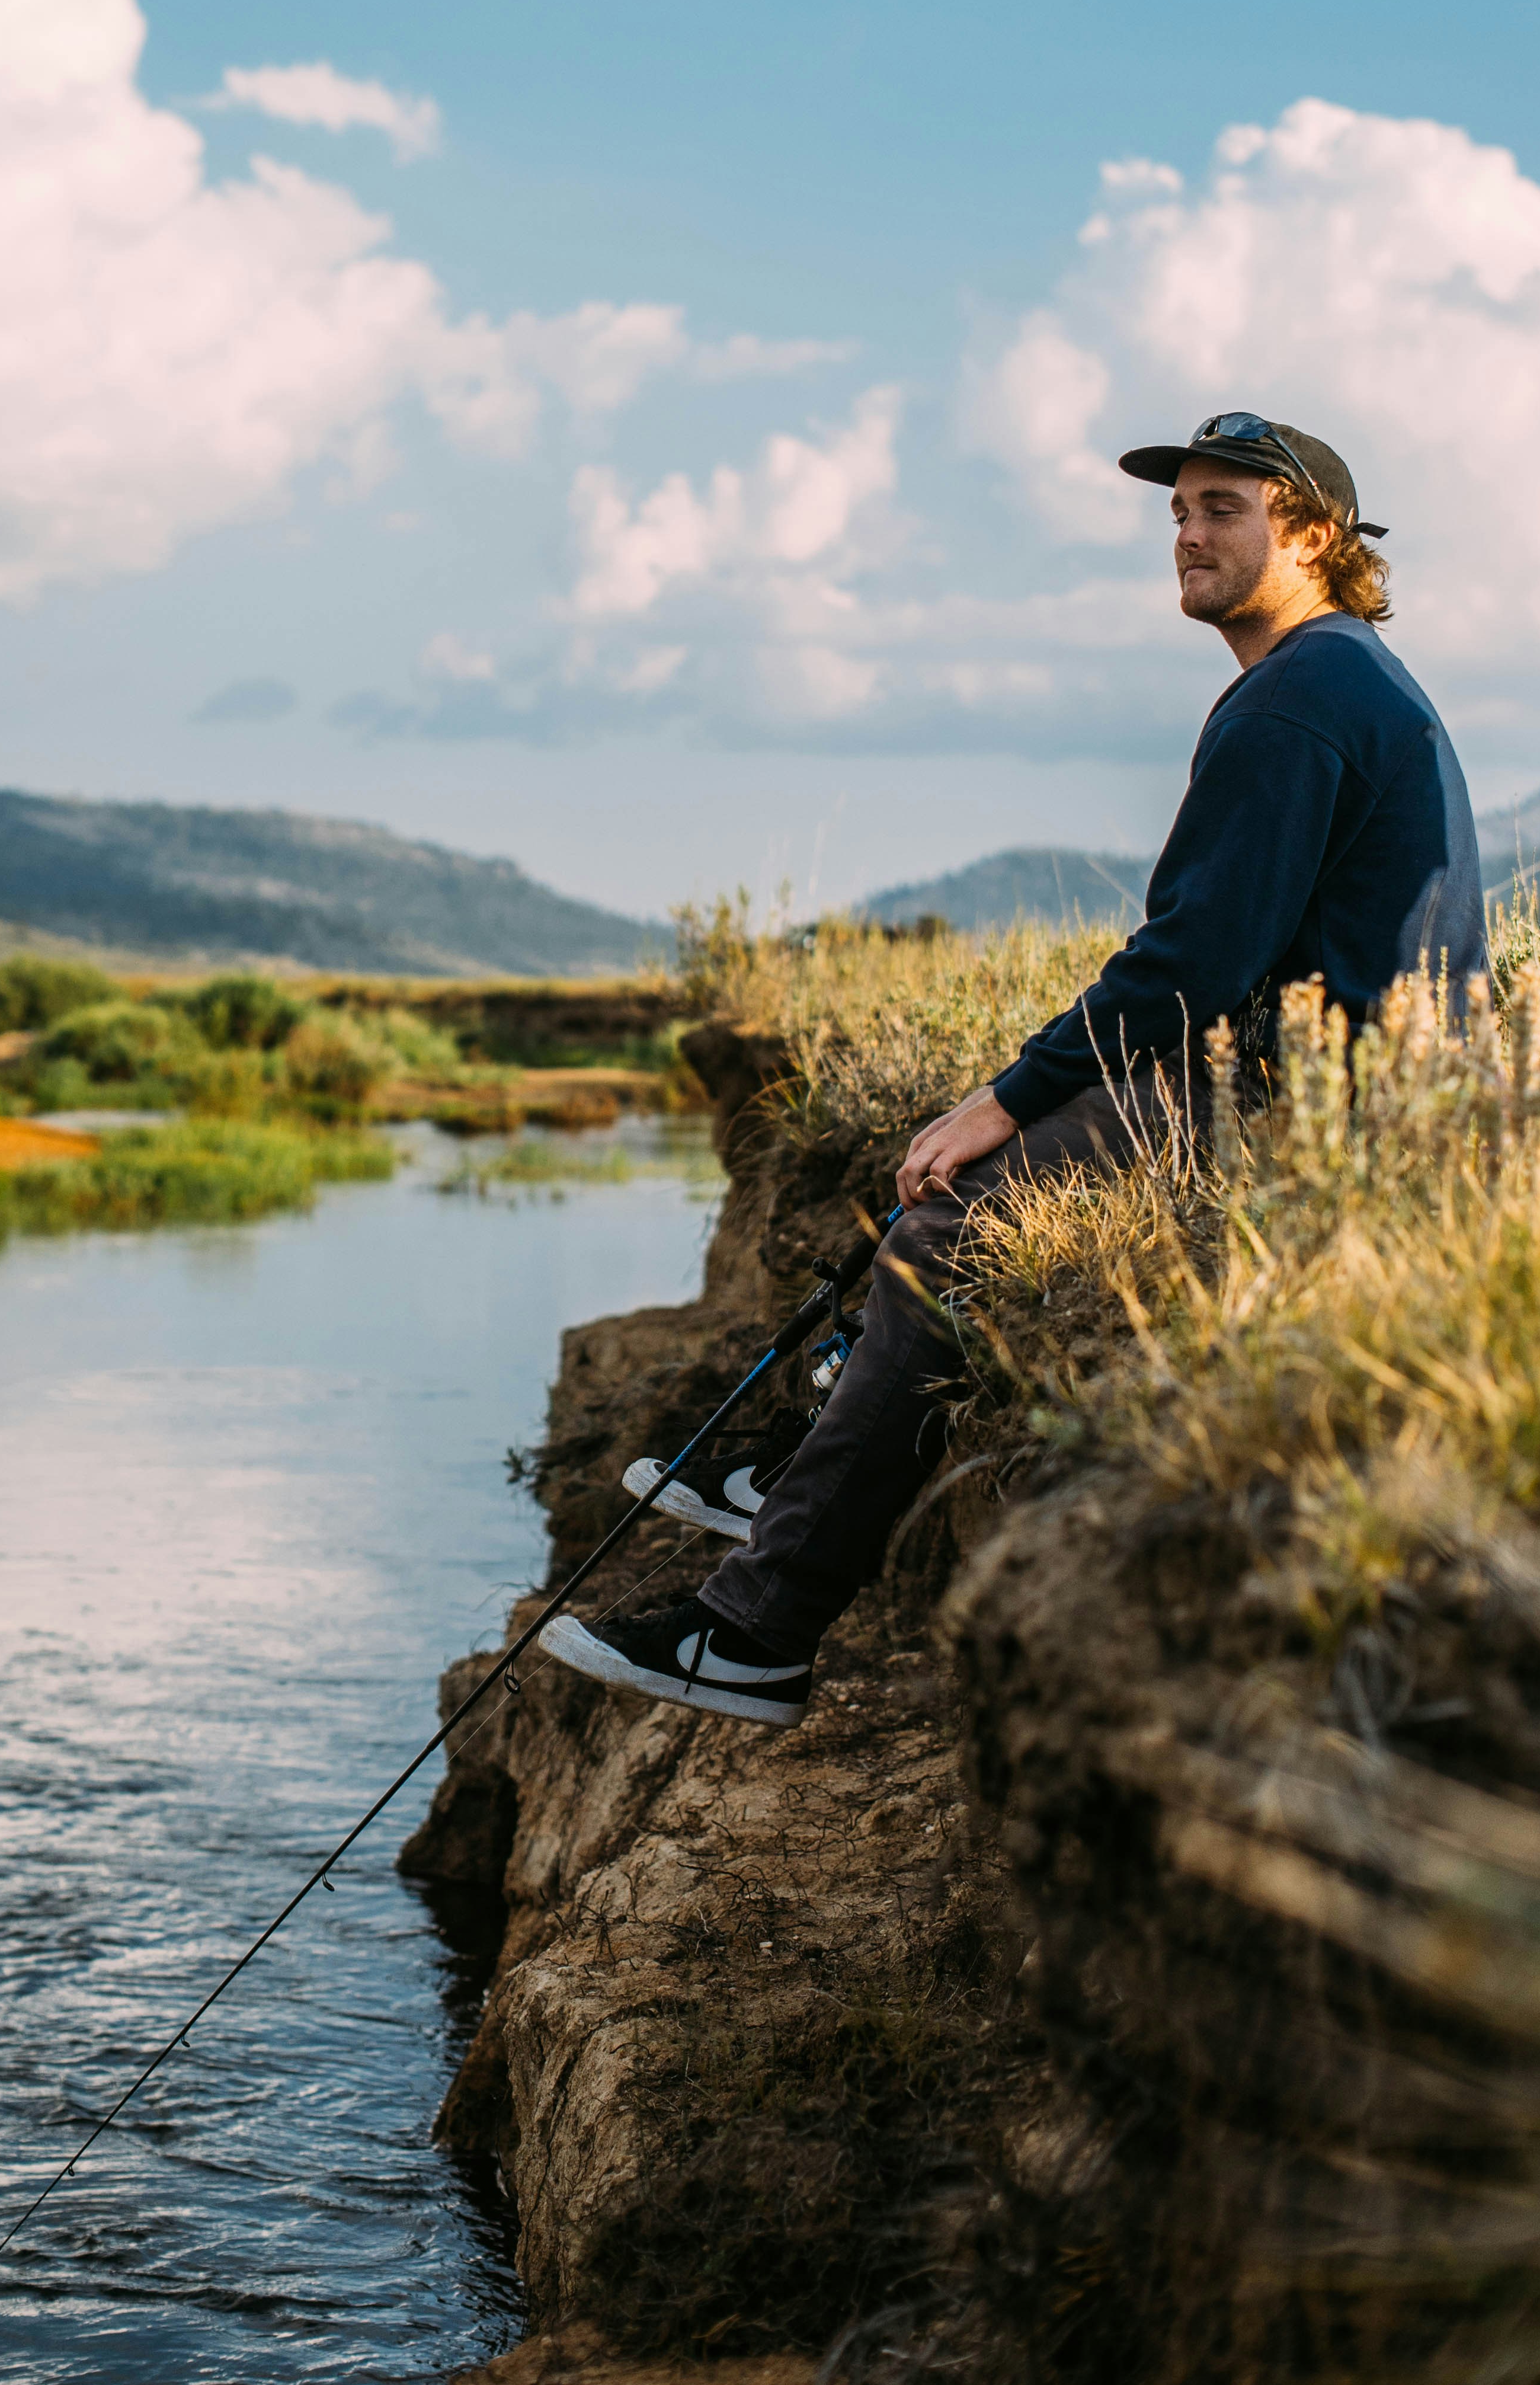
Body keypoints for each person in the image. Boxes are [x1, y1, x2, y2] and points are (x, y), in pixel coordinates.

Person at [540, 413, 1486, 1729]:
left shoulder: (1304, 694)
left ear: (1315, 533)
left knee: (949, 1229)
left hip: (1306, 1099)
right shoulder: (1338, 675)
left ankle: (753, 1632)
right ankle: (806, 1467)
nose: (1189, 534)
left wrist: (1007, 1095)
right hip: (1319, 1075)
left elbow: (1190, 966)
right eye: (1179, 512)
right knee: (965, 1180)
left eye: (1224, 507)